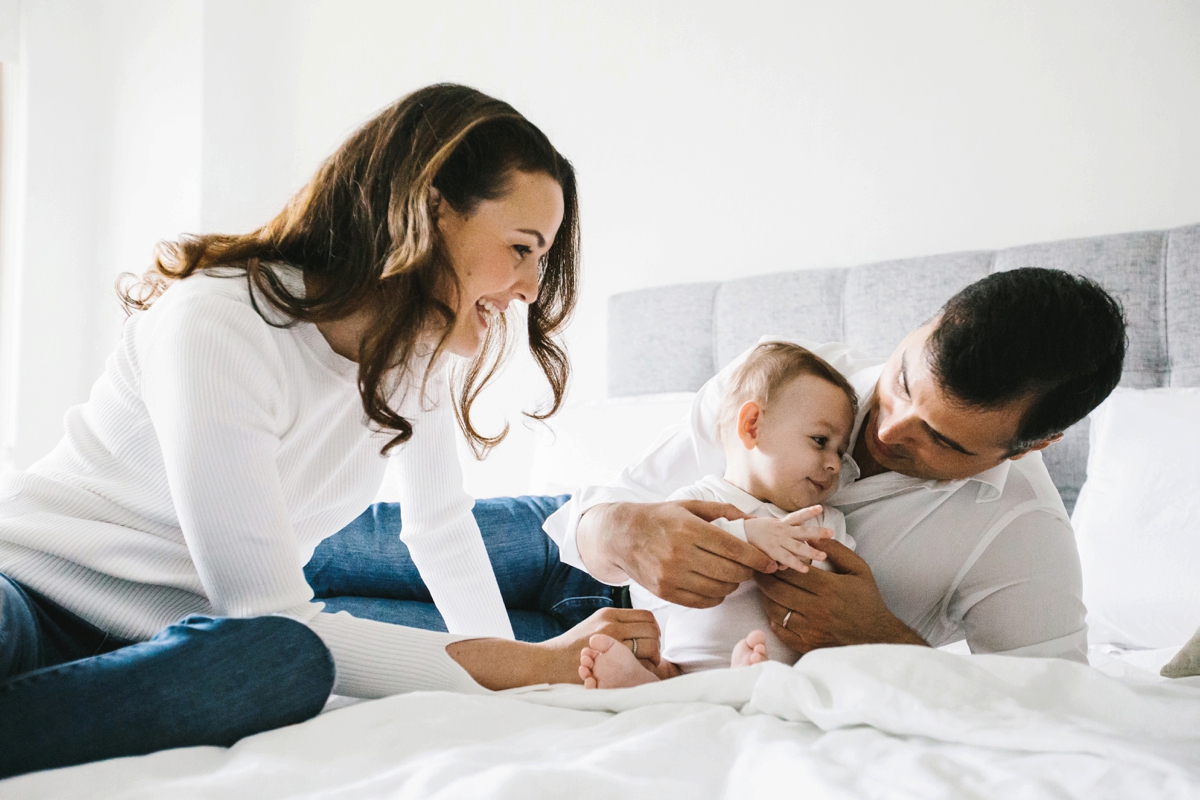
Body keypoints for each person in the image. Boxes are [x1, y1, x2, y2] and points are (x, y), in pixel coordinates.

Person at [0, 83, 660, 780]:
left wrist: (519, 686)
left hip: (169, 650)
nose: (529, 288)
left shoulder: (412, 359)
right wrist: (532, 662)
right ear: (431, 209)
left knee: (283, 662)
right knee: (276, 638)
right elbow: (260, 605)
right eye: (521, 247)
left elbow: (438, 529)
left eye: (540, 260)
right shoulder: (220, 322)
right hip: (30, 593)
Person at [547, 267, 1127, 665]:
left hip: (645, 650)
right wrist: (621, 529)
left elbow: (1048, 712)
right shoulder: (786, 375)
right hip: (570, 552)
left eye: (941, 439)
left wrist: (881, 641)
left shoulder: (1024, 534)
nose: (886, 429)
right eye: (902, 382)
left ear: (1030, 446)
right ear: (926, 323)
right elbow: (591, 510)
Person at [579, 342, 858, 689]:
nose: (833, 463)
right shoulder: (699, 499)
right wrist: (752, 535)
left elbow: (844, 593)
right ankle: (641, 679)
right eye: (820, 440)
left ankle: (741, 680)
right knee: (664, 669)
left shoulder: (824, 521)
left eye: (841, 451)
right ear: (752, 426)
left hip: (782, 670)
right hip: (683, 663)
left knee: (776, 675)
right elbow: (678, 549)